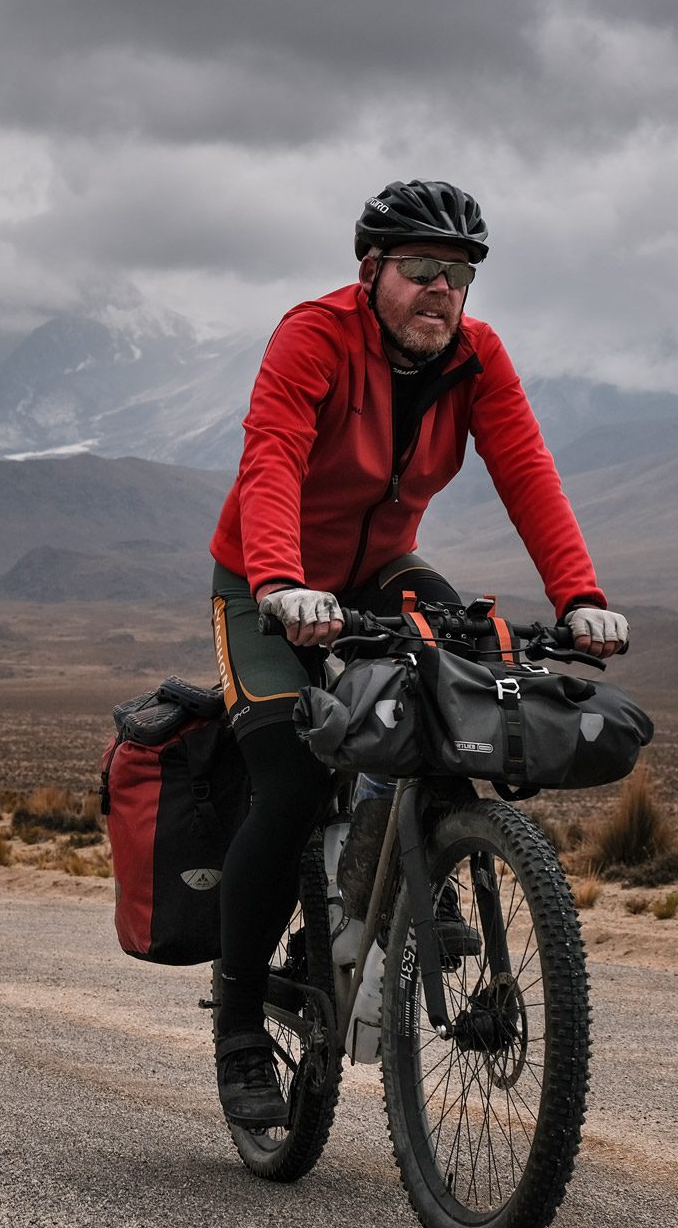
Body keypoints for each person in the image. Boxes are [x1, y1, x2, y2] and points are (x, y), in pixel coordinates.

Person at [205, 178, 628, 1129]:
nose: (442, 289)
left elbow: (527, 470)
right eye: (421, 270)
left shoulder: (477, 361)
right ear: (372, 274)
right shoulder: (313, 336)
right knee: (287, 773)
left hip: (381, 569)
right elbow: (270, 454)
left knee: (466, 692)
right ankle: (238, 1033)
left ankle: (420, 864)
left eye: (460, 275)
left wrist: (582, 597)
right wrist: (277, 582)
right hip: (266, 582)